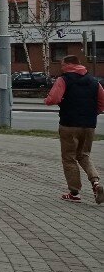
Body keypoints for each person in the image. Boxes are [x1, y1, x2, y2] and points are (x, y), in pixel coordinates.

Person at [43, 55, 104, 203]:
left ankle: (74, 193)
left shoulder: (63, 79)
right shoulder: (94, 81)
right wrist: (93, 113)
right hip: (89, 125)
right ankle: (96, 183)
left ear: (68, 65)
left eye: (62, 64)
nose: (61, 67)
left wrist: (47, 100)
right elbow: (102, 102)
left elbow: (54, 99)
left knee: (69, 158)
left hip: (69, 124)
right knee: (84, 155)